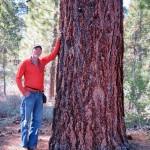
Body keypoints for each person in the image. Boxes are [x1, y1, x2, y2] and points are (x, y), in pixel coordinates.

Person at [16, 35, 61, 150]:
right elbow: (18, 78)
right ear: (32, 51)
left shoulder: (42, 62)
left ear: (41, 52)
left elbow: (53, 54)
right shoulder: (25, 63)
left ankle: (32, 145)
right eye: (36, 49)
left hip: (39, 95)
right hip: (29, 95)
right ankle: (24, 145)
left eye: (40, 50)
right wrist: (23, 92)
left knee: (37, 121)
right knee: (25, 121)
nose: (38, 51)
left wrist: (58, 40)